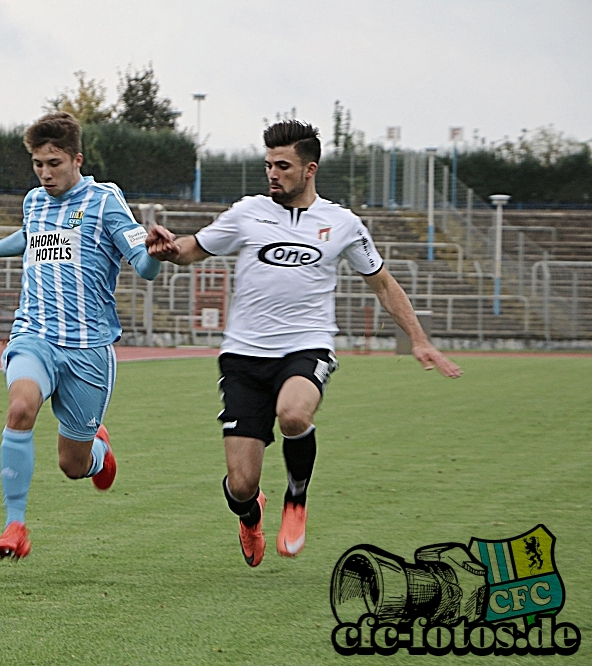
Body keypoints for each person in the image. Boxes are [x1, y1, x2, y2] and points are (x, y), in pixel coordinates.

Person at [147, 120, 461, 568]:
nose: (273, 173)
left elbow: (384, 285)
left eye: (283, 165)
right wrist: (168, 247)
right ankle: (251, 512)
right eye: (268, 165)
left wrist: (419, 340)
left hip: (305, 346)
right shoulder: (247, 212)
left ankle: (297, 498)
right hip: (242, 355)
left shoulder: (342, 224)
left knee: (294, 414)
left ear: (309, 169)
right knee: (240, 484)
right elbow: (193, 248)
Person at [0, 112, 175, 560]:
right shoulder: (35, 201)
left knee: (72, 466)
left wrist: (156, 253)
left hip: (89, 349)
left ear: (76, 158)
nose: (44, 172)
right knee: (20, 407)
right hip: (33, 335)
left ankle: (97, 452)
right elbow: (28, 236)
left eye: (53, 163)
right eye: (37, 163)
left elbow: (143, 265)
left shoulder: (105, 201)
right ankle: (15, 526)